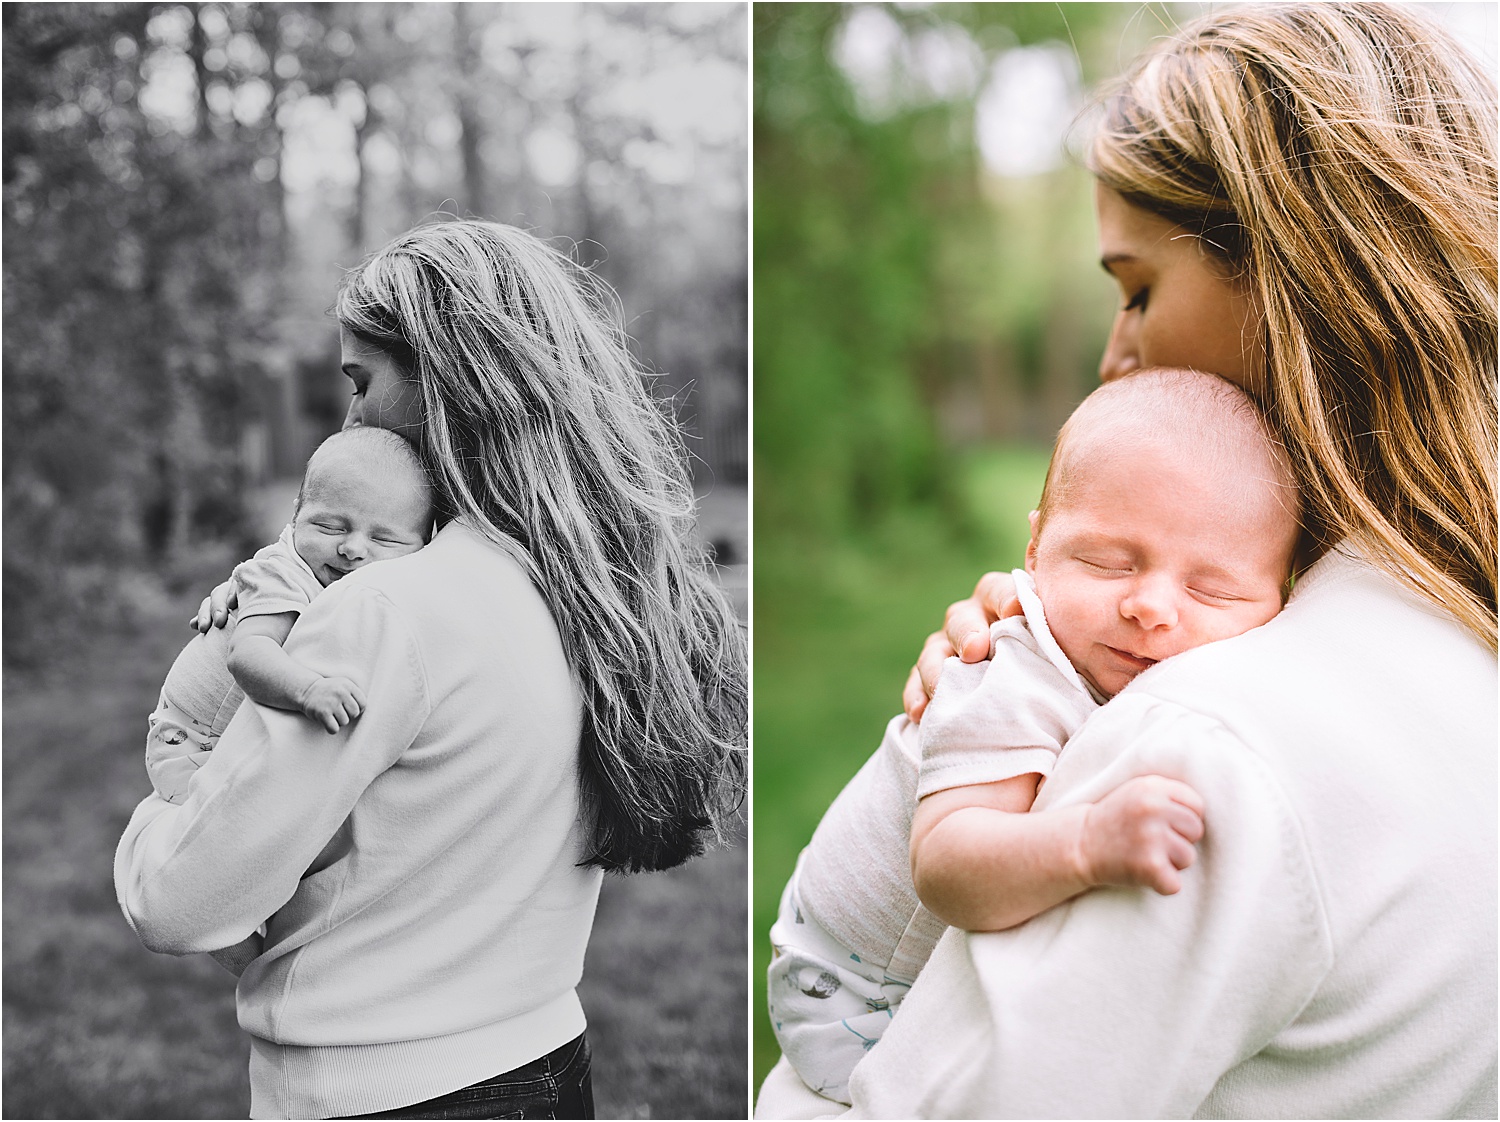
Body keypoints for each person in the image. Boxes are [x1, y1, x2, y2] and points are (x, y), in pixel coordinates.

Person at [757, 3, 1495, 1117]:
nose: (1116, 352)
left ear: (1297, 275)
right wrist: (1032, 690)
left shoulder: (1207, 745)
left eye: (1138, 286)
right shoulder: (1450, 631)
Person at [116, 220, 747, 1121]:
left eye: (361, 382)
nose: (351, 422)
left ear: (448, 382)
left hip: (383, 1096)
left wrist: (177, 765)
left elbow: (177, 901)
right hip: (547, 1065)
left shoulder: (387, 612)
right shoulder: (594, 593)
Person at [768, 368, 1299, 1103]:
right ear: (1036, 548)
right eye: (1106, 563)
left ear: (1285, 597)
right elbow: (948, 864)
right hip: (850, 997)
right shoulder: (1013, 675)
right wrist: (1086, 844)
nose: (1148, 606)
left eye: (1210, 590)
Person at [147, 427, 434, 806]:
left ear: (424, 546)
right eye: (330, 527)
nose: (352, 548)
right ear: (297, 514)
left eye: (384, 540)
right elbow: (247, 654)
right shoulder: (282, 574)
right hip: (193, 745)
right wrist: (309, 690)